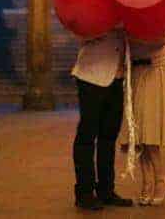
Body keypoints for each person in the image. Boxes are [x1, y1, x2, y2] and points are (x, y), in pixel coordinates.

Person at [120, 38, 165, 206]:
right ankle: (147, 181)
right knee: (138, 134)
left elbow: (164, 40)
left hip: (154, 71)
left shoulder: (161, 23)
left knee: (149, 129)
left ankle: (160, 179)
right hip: (135, 71)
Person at [72, 27, 133, 211]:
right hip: (91, 75)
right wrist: (109, 26)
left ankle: (106, 190)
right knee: (87, 136)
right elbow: (80, 30)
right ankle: (84, 193)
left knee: (108, 137)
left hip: (117, 77)